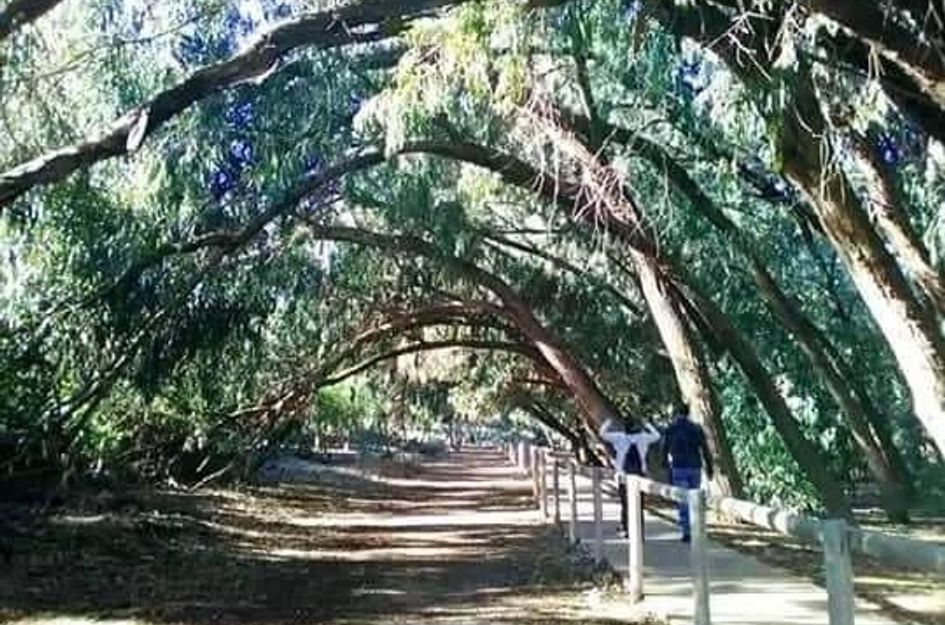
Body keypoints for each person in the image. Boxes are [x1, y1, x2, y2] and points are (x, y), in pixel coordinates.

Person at [661, 402, 714, 542]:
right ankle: (696, 527)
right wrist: (709, 467)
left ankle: (687, 531)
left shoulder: (671, 428)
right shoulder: (696, 428)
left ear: (676, 413)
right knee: (695, 498)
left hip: (678, 467)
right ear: (688, 413)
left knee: (683, 499)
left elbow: (664, 448)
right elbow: (704, 449)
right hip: (695, 466)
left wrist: (664, 465)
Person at [599, 417, 661, 537]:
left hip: (623, 476)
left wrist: (609, 422)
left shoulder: (619, 437)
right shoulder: (643, 437)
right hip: (639, 476)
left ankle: (627, 528)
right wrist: (647, 424)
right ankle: (639, 531)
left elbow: (602, 434)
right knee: (639, 505)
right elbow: (657, 436)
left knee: (625, 504)